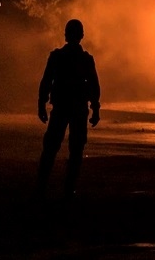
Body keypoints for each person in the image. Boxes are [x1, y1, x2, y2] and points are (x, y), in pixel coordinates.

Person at [36, 18, 101, 197]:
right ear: (81, 36)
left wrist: (42, 104)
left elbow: (46, 82)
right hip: (78, 109)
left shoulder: (57, 56)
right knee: (76, 149)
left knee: (51, 147)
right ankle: (69, 189)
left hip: (62, 108)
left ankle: (42, 187)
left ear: (66, 35)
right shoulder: (85, 59)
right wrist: (95, 109)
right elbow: (94, 86)